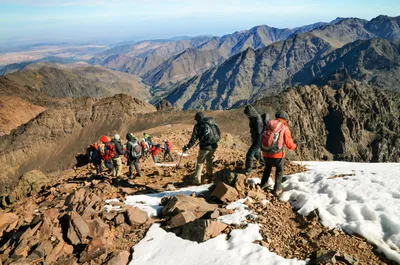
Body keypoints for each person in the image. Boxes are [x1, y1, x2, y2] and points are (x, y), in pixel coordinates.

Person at [260, 111, 297, 196]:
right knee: (279, 171)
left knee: (267, 168)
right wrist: (295, 146)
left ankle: (263, 184)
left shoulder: (268, 124)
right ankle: (277, 189)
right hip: (278, 155)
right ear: (285, 119)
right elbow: (289, 144)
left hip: (265, 153)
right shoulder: (284, 127)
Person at [183, 112, 220, 185]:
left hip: (205, 147)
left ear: (197, 119)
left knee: (200, 162)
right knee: (209, 160)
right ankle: (210, 176)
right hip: (214, 145)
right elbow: (218, 133)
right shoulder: (212, 123)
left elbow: (193, 139)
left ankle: (197, 180)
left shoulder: (198, 125)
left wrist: (187, 147)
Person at [243, 105, 265, 174]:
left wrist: (257, 143)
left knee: (249, 154)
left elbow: (260, 133)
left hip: (258, 140)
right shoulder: (253, 119)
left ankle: (248, 170)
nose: (246, 116)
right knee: (256, 153)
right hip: (256, 140)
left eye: (247, 114)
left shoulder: (258, 121)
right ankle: (264, 163)